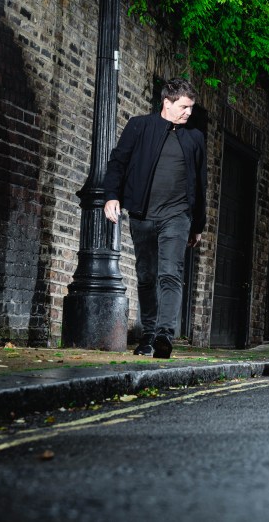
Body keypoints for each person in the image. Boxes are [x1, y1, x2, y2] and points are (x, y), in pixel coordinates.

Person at [103, 77, 207, 359]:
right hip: (142, 214)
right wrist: (111, 196)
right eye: (184, 107)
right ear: (167, 102)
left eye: (191, 107)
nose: (189, 112)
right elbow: (118, 163)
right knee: (146, 275)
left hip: (177, 216)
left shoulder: (194, 138)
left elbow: (200, 183)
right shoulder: (140, 126)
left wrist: (197, 225)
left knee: (170, 274)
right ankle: (148, 335)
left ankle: (164, 335)